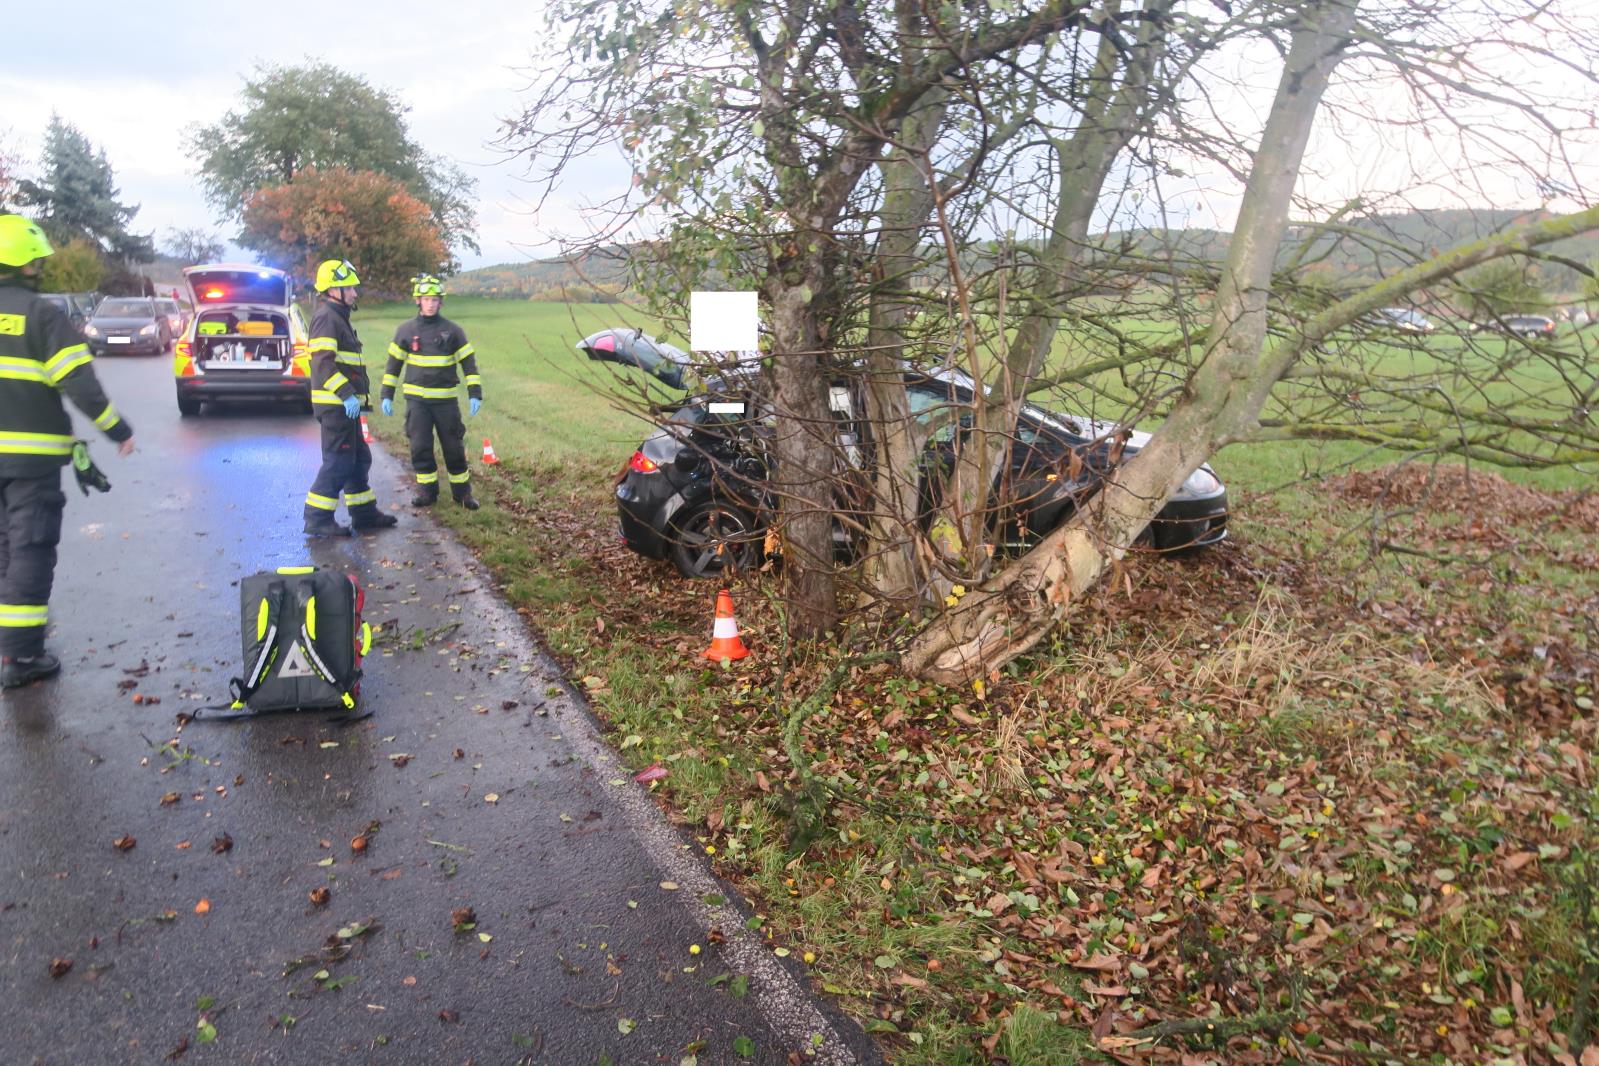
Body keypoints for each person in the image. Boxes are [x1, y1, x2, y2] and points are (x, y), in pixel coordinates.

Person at [0, 214, 136, 688]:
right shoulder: (40, 315)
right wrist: (117, 430)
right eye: (36, 261)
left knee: (2, 550)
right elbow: (79, 382)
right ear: (24, 263)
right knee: (29, 549)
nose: (40, 268)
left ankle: (10, 640)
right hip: (29, 464)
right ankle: (21, 657)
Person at [303, 258, 397, 536]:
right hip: (336, 405)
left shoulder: (337, 317)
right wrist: (346, 395)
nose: (355, 293)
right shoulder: (326, 318)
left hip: (345, 406)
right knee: (339, 461)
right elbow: (322, 363)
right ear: (333, 290)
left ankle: (364, 513)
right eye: (349, 288)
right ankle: (317, 518)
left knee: (358, 459)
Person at [379, 274, 483, 510]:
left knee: (454, 448)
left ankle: (463, 494)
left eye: (435, 299)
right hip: (417, 404)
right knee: (420, 447)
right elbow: (393, 366)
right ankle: (427, 491)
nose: (431, 303)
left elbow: (469, 364)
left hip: (446, 403)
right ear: (418, 300)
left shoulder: (453, 331)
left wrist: (475, 392)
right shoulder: (405, 330)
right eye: (426, 299)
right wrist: (386, 395)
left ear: (440, 302)